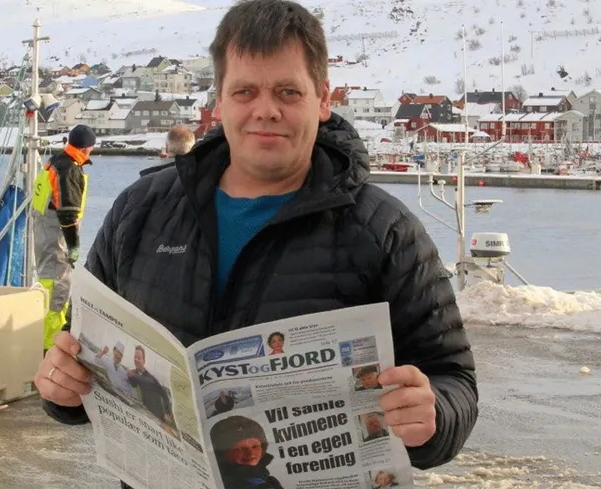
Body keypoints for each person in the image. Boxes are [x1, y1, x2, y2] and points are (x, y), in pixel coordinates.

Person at [34, 2, 478, 488]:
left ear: (323, 98)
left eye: (288, 91)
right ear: (220, 102)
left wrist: (431, 414)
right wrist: (62, 390)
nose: (266, 109)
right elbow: (79, 352)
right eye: (245, 91)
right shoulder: (140, 211)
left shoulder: (385, 230)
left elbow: (454, 381)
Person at [31, 124, 96, 351]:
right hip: (55, 239)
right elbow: (67, 213)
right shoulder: (69, 169)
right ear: (89, 148)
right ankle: (50, 346)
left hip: (45, 235)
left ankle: (46, 340)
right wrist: (74, 246)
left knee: (51, 284)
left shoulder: (54, 162)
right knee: (57, 291)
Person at [210, 415, 284, 489]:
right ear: (223, 453)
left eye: (255, 446)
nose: (250, 453)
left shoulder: (270, 482)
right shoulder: (221, 483)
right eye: (241, 449)